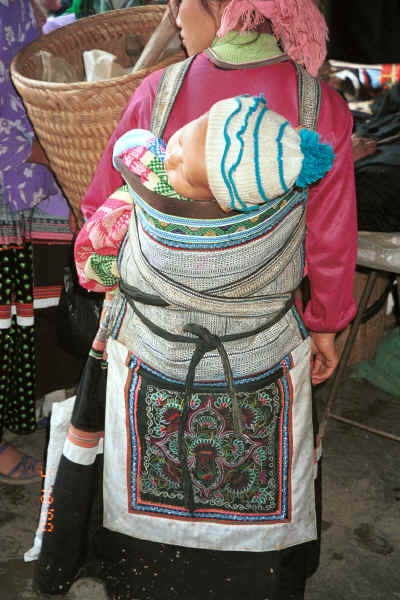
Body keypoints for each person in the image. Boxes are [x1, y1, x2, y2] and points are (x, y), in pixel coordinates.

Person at [34, 0, 357, 598]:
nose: (177, 15)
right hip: (260, 351)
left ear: (224, 6)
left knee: (136, 486)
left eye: (186, 2)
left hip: (150, 348)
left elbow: (105, 202)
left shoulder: (159, 92)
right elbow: (331, 240)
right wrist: (326, 325)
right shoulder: (321, 106)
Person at [0, 0, 78, 484]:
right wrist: (41, 149)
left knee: (34, 309)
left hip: (30, 183)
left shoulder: (36, 18)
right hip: (14, 174)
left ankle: (47, 408)